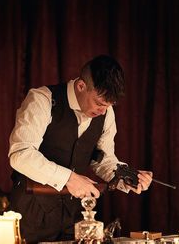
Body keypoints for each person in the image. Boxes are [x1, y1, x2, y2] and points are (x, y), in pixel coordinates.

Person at [8, 55, 153, 243]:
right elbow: (20, 154)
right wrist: (69, 178)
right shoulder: (42, 99)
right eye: (100, 103)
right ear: (81, 86)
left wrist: (127, 177)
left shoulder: (106, 112)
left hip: (75, 217)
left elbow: (102, 160)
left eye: (109, 105)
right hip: (31, 215)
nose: (103, 110)